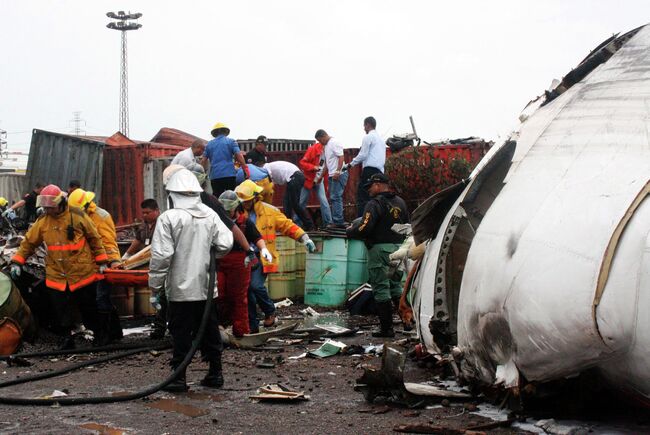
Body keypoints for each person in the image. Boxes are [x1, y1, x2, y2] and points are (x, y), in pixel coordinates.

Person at [149, 168, 233, 392]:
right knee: (209, 330)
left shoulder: (168, 218)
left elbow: (161, 256)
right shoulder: (209, 214)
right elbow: (226, 243)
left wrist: (154, 288)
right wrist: (210, 252)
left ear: (172, 194)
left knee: (181, 332)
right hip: (206, 289)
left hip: (180, 290)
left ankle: (179, 378)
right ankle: (215, 373)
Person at [10, 184, 109, 349]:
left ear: (61, 203)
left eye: (51, 207)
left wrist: (102, 261)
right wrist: (17, 262)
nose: (48, 210)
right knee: (60, 311)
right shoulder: (43, 222)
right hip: (57, 275)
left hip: (81, 273)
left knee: (88, 307)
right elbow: (28, 243)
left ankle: (100, 336)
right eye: (46, 207)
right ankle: (66, 339)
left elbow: (95, 239)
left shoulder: (77, 216)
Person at [235, 180, 316, 333]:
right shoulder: (238, 213)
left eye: (247, 202)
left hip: (262, 257)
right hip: (245, 257)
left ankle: (270, 311)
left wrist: (305, 238)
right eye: (243, 202)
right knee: (247, 292)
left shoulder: (270, 211)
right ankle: (252, 327)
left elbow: (288, 226)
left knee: (255, 286)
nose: (245, 204)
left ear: (255, 198)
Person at [346, 173, 409, 338]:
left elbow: (365, 227)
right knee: (396, 287)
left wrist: (351, 232)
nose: (369, 190)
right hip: (398, 249)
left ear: (380, 185)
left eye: (371, 186)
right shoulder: (401, 202)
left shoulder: (374, 204)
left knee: (381, 288)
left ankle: (387, 329)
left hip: (379, 250)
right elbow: (407, 226)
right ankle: (408, 323)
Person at [68, 188, 123, 346]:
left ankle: (105, 336)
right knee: (91, 300)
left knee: (101, 299)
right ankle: (112, 332)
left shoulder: (101, 216)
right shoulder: (77, 216)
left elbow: (108, 241)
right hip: (85, 266)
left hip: (101, 265)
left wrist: (111, 262)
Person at [217, 190, 273, 337]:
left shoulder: (245, 222)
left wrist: (263, 249)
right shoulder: (216, 221)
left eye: (229, 210)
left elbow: (256, 238)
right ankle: (221, 325)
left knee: (239, 298)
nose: (227, 213)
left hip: (240, 262)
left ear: (236, 207)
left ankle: (241, 331)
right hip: (220, 262)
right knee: (220, 294)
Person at [122, 199, 165, 338]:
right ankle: (158, 326)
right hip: (147, 264)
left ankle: (161, 327)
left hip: (162, 264)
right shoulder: (144, 226)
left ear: (156, 211)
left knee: (163, 298)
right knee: (156, 298)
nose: (145, 215)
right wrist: (126, 256)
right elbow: (138, 241)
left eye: (148, 212)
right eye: (143, 213)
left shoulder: (163, 223)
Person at [343, 116, 386, 217]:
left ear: (368, 125)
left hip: (369, 171)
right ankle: (376, 220)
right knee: (377, 198)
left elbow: (363, 154)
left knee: (362, 196)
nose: (364, 128)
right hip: (380, 171)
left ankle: (361, 223)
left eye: (364, 126)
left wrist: (349, 164)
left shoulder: (368, 137)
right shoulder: (381, 140)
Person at [202, 122, 250, 197]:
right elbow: (239, 155)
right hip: (229, 175)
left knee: (217, 198)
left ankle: (218, 209)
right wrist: (245, 168)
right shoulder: (231, 141)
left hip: (215, 176)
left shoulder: (209, 144)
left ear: (214, 133)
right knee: (231, 198)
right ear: (225, 131)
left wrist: (202, 173)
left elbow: (203, 160)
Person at [264, 161, 315, 231]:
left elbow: (269, 182)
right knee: (287, 204)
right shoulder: (269, 166)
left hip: (295, 177)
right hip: (294, 177)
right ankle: (288, 226)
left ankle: (310, 225)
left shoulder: (265, 167)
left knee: (294, 205)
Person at [315, 129, 349, 227]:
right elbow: (326, 164)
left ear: (323, 136)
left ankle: (338, 222)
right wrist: (320, 176)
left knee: (336, 197)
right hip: (332, 175)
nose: (320, 143)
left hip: (339, 174)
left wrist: (338, 171)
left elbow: (341, 157)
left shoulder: (334, 143)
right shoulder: (326, 146)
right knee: (334, 197)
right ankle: (337, 221)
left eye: (320, 140)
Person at [298, 142, 333, 227]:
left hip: (319, 180)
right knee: (302, 202)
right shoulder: (312, 149)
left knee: (324, 201)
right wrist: (313, 167)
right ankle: (297, 224)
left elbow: (326, 168)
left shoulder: (329, 152)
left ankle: (328, 224)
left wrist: (321, 178)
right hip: (308, 180)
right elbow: (302, 163)